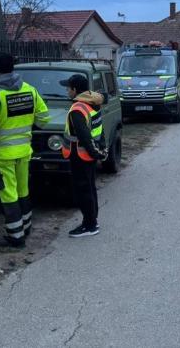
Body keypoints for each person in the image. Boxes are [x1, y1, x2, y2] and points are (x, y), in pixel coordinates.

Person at [0, 53, 49, 248]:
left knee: (8, 194)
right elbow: (44, 119)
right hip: (24, 152)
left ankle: (15, 237)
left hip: (3, 155)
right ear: (13, 68)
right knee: (22, 191)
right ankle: (26, 228)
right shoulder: (29, 90)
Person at [61, 74, 108, 237]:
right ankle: (92, 220)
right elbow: (99, 130)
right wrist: (100, 151)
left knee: (82, 191)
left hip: (80, 156)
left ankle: (89, 225)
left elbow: (84, 136)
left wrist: (94, 152)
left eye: (68, 88)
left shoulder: (77, 109)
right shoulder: (93, 103)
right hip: (89, 156)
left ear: (75, 90)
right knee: (90, 188)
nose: (67, 91)